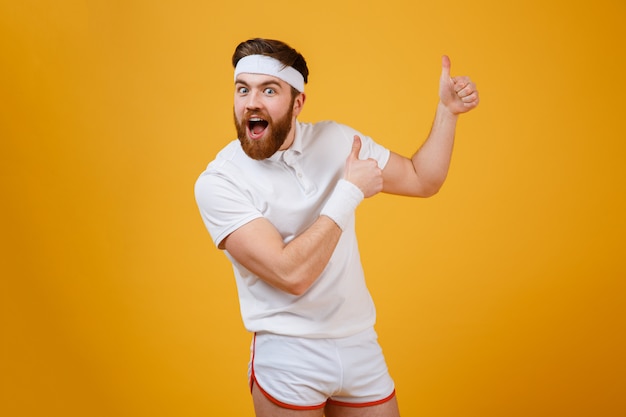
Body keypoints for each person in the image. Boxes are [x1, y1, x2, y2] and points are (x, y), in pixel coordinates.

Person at [195, 38, 479, 417]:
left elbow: (421, 179)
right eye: (243, 89)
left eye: (269, 90)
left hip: (359, 340)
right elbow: (290, 273)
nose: (251, 102)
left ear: (298, 103)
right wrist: (348, 192)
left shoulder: (338, 140)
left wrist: (447, 112)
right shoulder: (220, 182)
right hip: (289, 351)